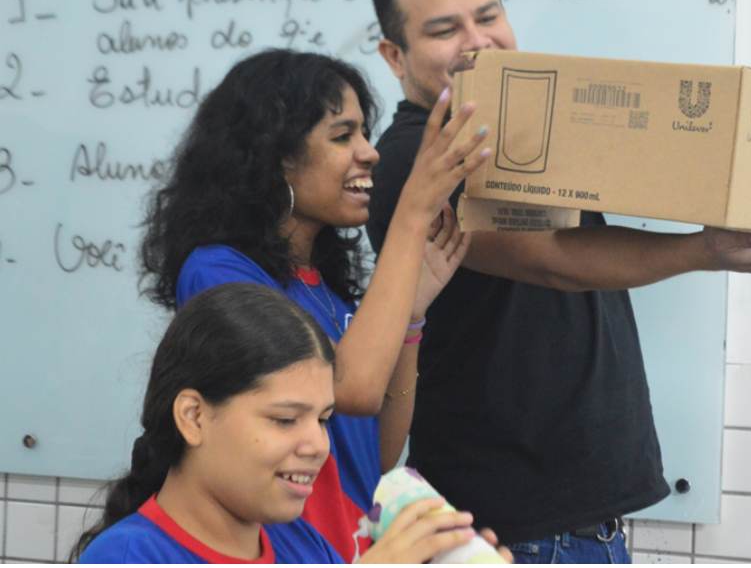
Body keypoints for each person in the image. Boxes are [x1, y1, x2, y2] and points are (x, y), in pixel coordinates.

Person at [366, 0, 751, 564]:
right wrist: (706, 250)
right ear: (394, 55)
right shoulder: (410, 161)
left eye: (488, 16)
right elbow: (552, 259)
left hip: (585, 525)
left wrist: (738, 216)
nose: (478, 41)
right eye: (444, 29)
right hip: (506, 531)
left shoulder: (529, 134)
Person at [139, 49, 491, 560]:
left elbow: (376, 454)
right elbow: (353, 387)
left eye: (366, 133)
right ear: (276, 155)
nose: (370, 153)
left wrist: (412, 316)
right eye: (343, 136)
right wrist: (412, 212)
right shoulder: (217, 269)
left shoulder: (323, 288)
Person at [72, 283, 488, 563]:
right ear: (194, 417)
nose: (317, 446)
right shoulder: (130, 556)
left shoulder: (303, 544)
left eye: (324, 419)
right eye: (285, 419)